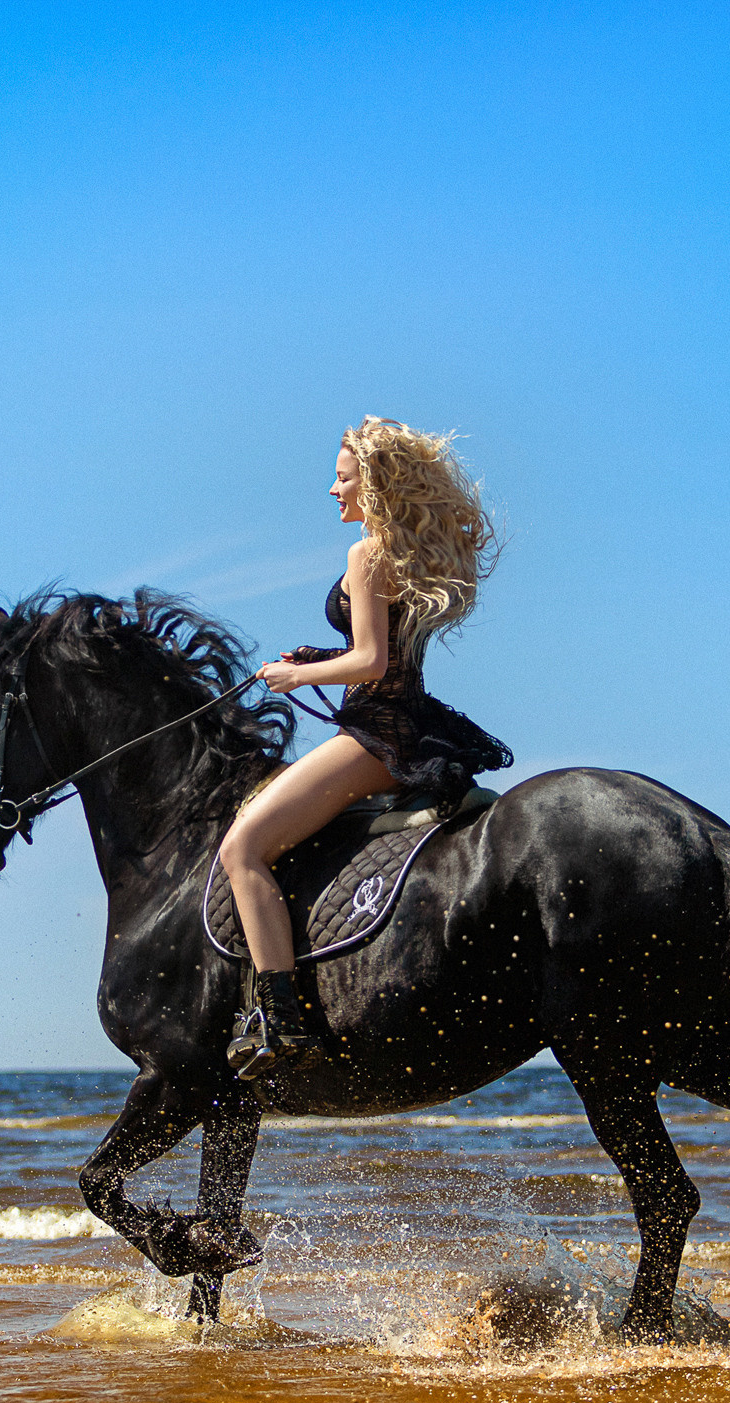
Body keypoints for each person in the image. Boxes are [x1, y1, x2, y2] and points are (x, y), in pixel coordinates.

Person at [217, 416, 512, 1079]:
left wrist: (297, 676)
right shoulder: (399, 555)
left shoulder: (368, 553)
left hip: (376, 733)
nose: (332, 490)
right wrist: (323, 658)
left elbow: (374, 662)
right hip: (406, 720)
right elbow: (381, 654)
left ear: (373, 485)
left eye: (343, 477)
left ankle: (279, 1019)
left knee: (243, 848)